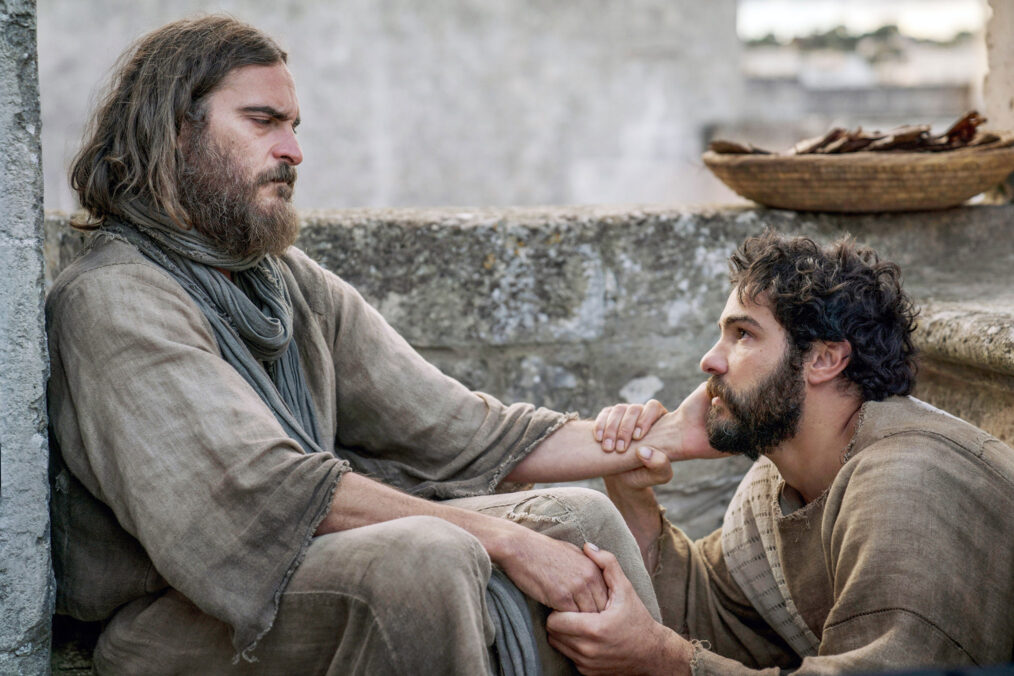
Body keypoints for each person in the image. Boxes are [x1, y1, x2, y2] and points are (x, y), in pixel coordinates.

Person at [45, 15, 717, 675]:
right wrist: (505, 540)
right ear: (175, 131)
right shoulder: (114, 299)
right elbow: (264, 491)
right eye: (262, 121)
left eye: (294, 126)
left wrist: (664, 435)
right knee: (428, 557)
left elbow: (456, 429)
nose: (293, 152)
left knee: (579, 517)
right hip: (170, 620)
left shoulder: (286, 284)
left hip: (293, 571)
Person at [545, 232, 1014, 674]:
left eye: (743, 334)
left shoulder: (907, 484)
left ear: (825, 359)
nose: (710, 361)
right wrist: (633, 479)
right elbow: (708, 610)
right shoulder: (779, 481)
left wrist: (661, 659)